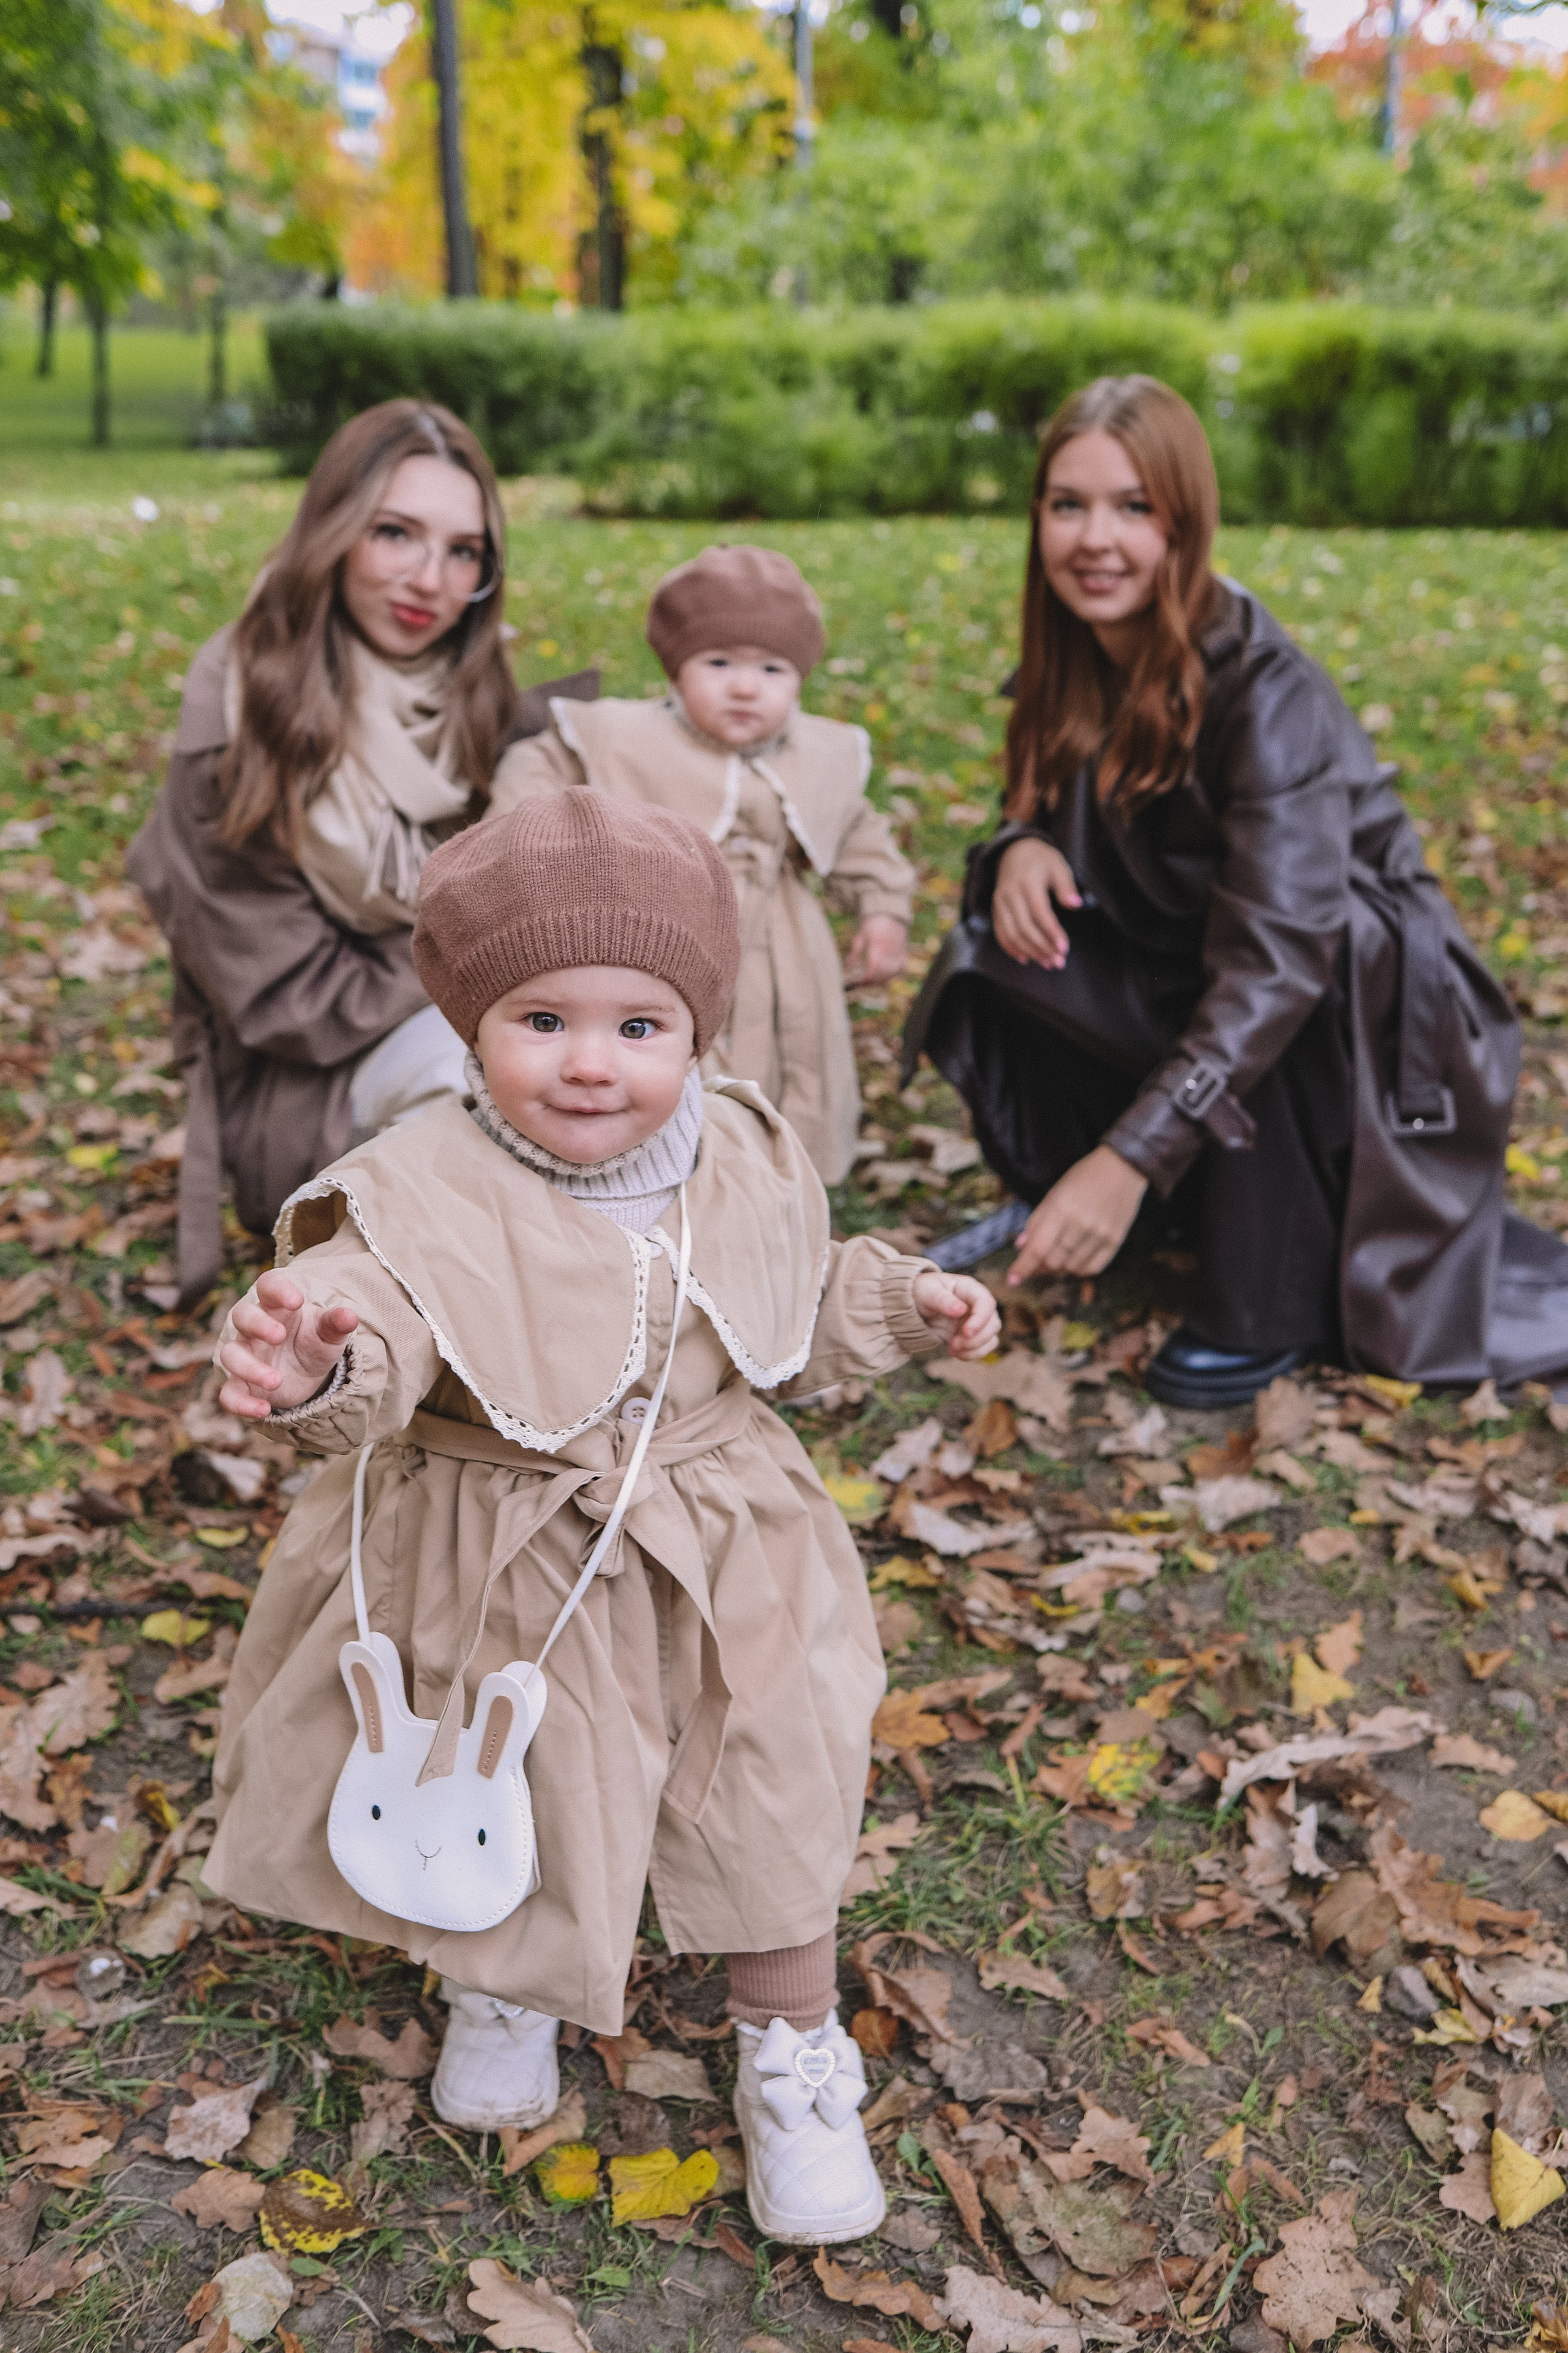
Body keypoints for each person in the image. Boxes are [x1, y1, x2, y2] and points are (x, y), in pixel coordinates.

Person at [204, 791, 1000, 2245]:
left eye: (638, 1024)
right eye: (540, 1019)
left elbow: (788, 1296)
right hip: (498, 1550)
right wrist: (320, 1358)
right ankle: (504, 1974)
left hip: (720, 1539)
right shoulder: (417, 1177)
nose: (589, 1062)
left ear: (697, 1030)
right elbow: (374, 1311)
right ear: (467, 1027)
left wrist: (893, 1300)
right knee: (522, 1766)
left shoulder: (741, 1150)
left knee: (771, 1775)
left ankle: (787, 2044)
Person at [903, 373, 1568, 1405]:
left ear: (1186, 522)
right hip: (1205, 948)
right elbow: (1034, 804)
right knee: (1001, 938)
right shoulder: (1070, 659)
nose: (1096, 540)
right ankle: (1165, 1198)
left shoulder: (1266, 691)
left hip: (1379, 1017)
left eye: (1134, 508)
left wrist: (1130, 1155)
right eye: (1068, 504)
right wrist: (1018, 846)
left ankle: (1272, 1298)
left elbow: (1281, 957)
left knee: (1314, 953)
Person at [127, 398, 597, 1312]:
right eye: (395, 534)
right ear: (334, 534)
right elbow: (291, 999)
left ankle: (648, 1292)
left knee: (609, 1048)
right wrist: (497, 956)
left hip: (462, 1012)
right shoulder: (237, 713)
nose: (430, 577)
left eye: (463, 551)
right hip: (311, 1077)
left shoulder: (472, 686)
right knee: (500, 1077)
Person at [488, 542, 914, 1185]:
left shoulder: (818, 755)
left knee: (794, 1059)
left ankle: (782, 1181)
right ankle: (665, 1178)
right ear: (677, 670)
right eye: (718, 662)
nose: (745, 686)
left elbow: (859, 833)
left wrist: (883, 911)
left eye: (771, 669)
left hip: (786, 953)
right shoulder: (625, 738)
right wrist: (531, 831)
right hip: (664, 943)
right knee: (674, 1060)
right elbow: (540, 766)